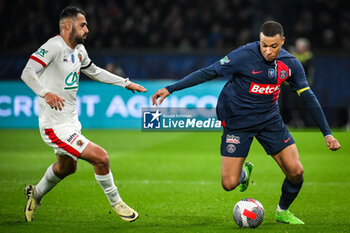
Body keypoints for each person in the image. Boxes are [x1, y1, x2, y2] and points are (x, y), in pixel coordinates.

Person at [152, 21, 341, 224]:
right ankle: (243, 173)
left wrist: (327, 133)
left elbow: (308, 97)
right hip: (237, 120)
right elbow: (209, 72)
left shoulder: (291, 64)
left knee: (296, 172)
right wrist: (171, 88)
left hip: (269, 119)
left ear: (283, 42)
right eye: (264, 45)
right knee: (229, 183)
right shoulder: (243, 55)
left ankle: (282, 210)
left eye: (273, 46)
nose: (268, 51)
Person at [21, 6, 147, 222]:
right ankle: (117, 203)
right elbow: (27, 72)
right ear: (67, 26)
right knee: (101, 158)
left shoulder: (79, 50)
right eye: (83, 25)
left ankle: (36, 194)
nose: (87, 29)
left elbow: (94, 71)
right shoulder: (54, 46)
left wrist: (125, 83)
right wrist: (46, 93)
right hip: (54, 125)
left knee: (67, 167)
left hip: (71, 121)